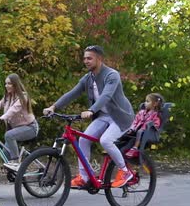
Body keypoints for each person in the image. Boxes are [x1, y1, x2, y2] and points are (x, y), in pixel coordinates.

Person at [43, 45, 135, 188]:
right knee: (83, 140)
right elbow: (72, 93)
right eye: (84, 58)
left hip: (120, 117)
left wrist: (92, 110)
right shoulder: (88, 78)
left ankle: (124, 171)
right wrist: (54, 106)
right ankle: (84, 177)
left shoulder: (112, 75)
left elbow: (106, 95)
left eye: (89, 58)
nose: (86, 61)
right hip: (103, 116)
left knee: (106, 141)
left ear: (99, 59)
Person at [123, 93, 164, 158]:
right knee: (126, 131)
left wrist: (150, 126)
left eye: (147, 101)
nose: (145, 103)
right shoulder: (141, 112)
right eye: (145, 101)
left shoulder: (155, 114)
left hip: (147, 132)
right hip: (137, 129)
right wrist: (132, 128)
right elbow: (135, 121)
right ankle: (116, 144)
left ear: (155, 104)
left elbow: (156, 124)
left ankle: (135, 147)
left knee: (140, 131)